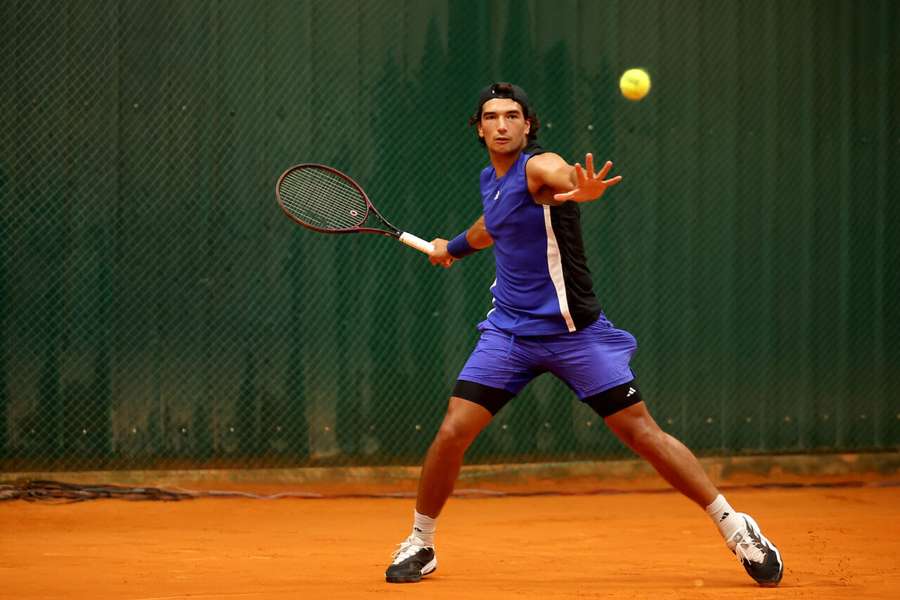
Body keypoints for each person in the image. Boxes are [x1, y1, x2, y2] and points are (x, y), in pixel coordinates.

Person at [384, 82, 783, 587]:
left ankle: (735, 526)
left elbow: (560, 176)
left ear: (528, 125)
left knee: (641, 433)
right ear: (479, 127)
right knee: (452, 431)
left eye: (512, 116)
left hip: (575, 336)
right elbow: (493, 225)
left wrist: (581, 187)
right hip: (508, 333)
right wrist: (455, 247)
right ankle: (421, 542)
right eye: (491, 116)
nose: (502, 124)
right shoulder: (492, 178)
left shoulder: (537, 166)